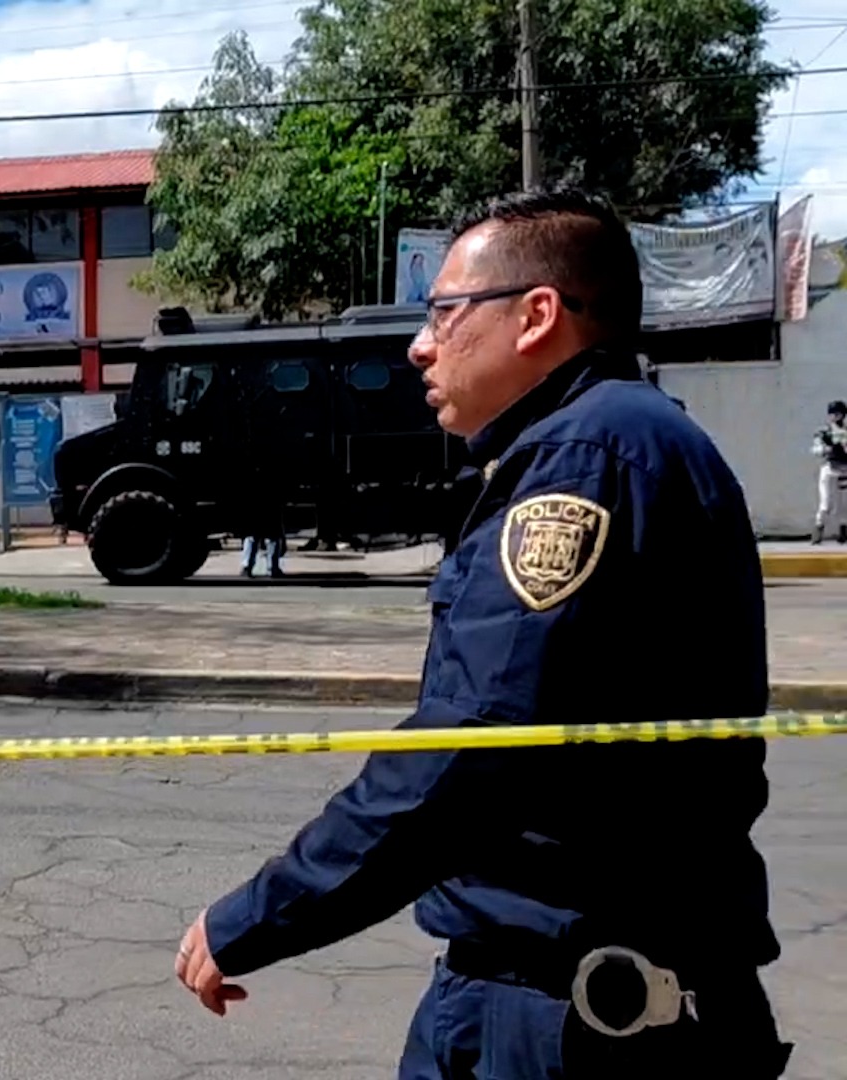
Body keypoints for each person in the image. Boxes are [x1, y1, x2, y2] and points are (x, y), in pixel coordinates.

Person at [175, 190, 792, 1080]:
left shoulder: (585, 458)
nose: (420, 345)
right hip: (576, 992)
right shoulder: (615, 440)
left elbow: (473, 747)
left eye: (444, 312)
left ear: (536, 315)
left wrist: (261, 914)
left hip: (571, 1021)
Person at [812, 400, 847, 544]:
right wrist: (827, 448)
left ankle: (843, 532)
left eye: (838, 413)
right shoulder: (824, 431)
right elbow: (816, 449)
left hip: (844, 470)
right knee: (826, 503)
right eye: (833, 413)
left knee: (843, 504)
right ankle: (818, 530)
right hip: (829, 469)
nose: (835, 416)